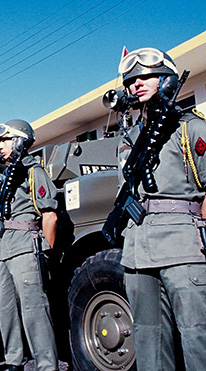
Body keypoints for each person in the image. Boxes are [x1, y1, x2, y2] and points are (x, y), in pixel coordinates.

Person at [116, 47, 206, 370]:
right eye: (131, 80)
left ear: (165, 79)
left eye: (146, 77)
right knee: (148, 342)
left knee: (198, 340)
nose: (137, 84)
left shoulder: (190, 127)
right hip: (138, 251)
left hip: (182, 246)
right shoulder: (129, 138)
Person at [0, 119, 59, 371]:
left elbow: (49, 215)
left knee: (35, 313)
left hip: (26, 248)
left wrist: (46, 255)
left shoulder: (34, 172)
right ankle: (13, 360)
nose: (0, 145)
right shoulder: (4, 178)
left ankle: (46, 366)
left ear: (19, 140)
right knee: (6, 312)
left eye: (5, 139)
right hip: (5, 250)